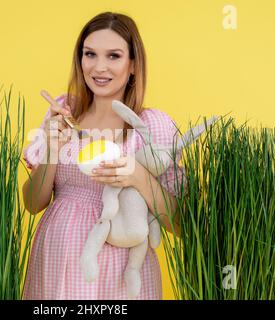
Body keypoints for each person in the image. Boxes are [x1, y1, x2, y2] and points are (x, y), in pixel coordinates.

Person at [22, 11, 185, 300]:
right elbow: (34, 203)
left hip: (122, 275)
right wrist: (50, 149)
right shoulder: (63, 110)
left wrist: (138, 176)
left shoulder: (151, 125)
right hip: (57, 263)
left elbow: (180, 222)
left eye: (114, 56)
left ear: (133, 65)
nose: (99, 67)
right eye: (90, 54)